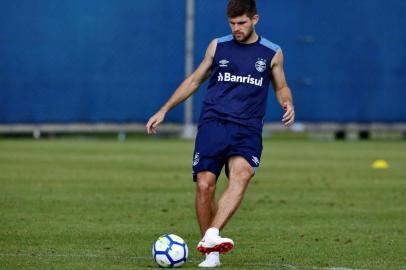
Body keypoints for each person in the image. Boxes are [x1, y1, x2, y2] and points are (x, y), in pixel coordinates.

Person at [146, 0, 295, 267]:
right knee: (205, 186)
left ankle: (212, 235)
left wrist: (288, 102)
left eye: (242, 23)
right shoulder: (218, 46)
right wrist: (164, 109)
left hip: (247, 128)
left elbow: (281, 86)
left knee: (243, 174)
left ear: (255, 20)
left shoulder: (272, 52)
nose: (236, 28)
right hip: (214, 123)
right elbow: (194, 80)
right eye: (232, 23)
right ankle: (211, 254)